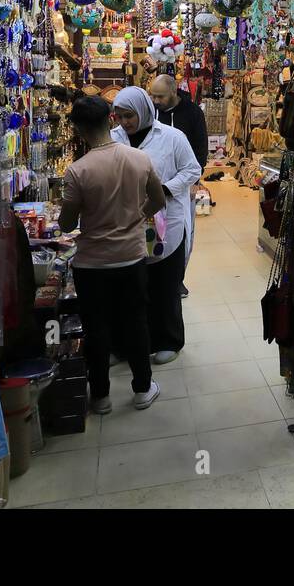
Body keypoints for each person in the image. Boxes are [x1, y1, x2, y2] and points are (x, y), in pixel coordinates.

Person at [58, 95, 166, 414]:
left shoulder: (77, 171)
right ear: (111, 119)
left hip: (91, 262)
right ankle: (143, 389)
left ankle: (101, 396)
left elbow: (65, 223)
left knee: (97, 328)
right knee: (136, 322)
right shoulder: (139, 159)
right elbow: (158, 200)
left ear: (78, 129)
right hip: (131, 256)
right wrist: (134, 217)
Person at [111, 87, 200, 365]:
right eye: (120, 116)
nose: (125, 122)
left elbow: (192, 169)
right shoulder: (113, 139)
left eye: (130, 116)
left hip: (166, 221)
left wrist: (165, 188)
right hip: (127, 221)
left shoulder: (172, 137)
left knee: (165, 283)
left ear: (144, 111)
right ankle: (130, 343)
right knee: (131, 287)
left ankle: (169, 339)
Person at [149, 74, 207, 298]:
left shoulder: (193, 113)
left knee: (184, 233)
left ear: (173, 91)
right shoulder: (150, 112)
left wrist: (195, 180)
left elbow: (201, 148)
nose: (155, 100)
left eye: (160, 96)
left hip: (184, 182)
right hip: (154, 183)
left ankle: (177, 278)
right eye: (152, 95)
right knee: (152, 231)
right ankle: (157, 276)